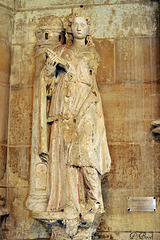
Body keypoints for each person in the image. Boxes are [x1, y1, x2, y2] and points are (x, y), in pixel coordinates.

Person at [39, 13, 111, 217]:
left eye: (82, 24)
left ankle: (95, 202)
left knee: (86, 154)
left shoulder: (91, 53)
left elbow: (92, 82)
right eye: (75, 24)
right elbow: (47, 84)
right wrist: (50, 71)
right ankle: (70, 201)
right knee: (64, 156)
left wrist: (87, 105)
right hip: (63, 106)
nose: (79, 28)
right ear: (70, 28)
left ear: (88, 28)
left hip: (85, 105)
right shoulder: (60, 50)